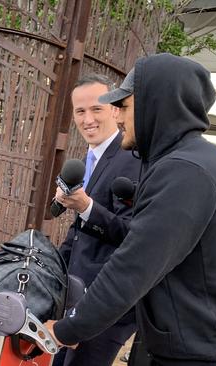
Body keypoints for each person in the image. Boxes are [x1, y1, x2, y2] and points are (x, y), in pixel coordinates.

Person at [46, 53, 216, 365]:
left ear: (155, 106)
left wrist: (69, 330)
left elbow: (133, 266)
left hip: (196, 353)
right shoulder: (186, 161)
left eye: (123, 106)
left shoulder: (186, 170)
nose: (117, 116)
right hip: (179, 342)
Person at [52, 74, 140, 366]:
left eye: (96, 109)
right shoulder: (89, 158)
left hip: (108, 305)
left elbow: (134, 236)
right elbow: (80, 231)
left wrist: (87, 207)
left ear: (115, 109)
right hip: (75, 294)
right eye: (80, 111)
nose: (88, 119)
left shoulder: (132, 159)